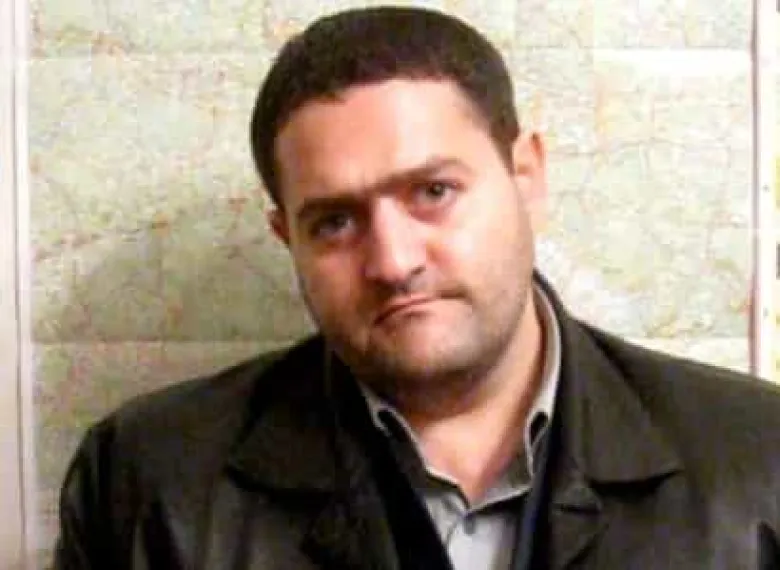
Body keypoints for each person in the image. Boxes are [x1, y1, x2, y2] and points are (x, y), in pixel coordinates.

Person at [54, 6, 780, 570]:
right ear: (287, 238)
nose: (393, 261)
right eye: (335, 222)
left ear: (526, 177)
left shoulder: (758, 463)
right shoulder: (147, 484)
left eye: (433, 191)